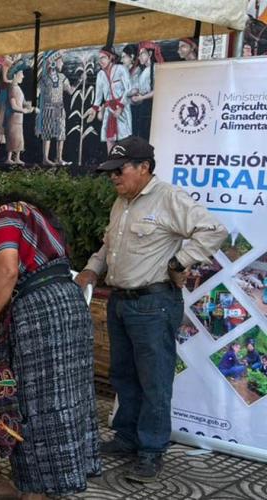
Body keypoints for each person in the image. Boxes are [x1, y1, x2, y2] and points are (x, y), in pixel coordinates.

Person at [75, 136, 227, 483]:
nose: (113, 177)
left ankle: (151, 451)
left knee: (154, 381)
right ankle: (127, 438)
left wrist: (180, 260)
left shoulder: (168, 198)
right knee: (123, 375)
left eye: (120, 170)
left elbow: (213, 230)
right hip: (120, 302)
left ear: (144, 167)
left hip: (154, 304)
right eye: (111, 171)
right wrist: (91, 269)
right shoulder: (122, 203)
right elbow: (109, 245)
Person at [0, 186, 100, 499]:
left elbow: (8, 272)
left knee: (33, 403)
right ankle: (36, 483)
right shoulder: (30, 215)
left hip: (40, 314)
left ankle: (36, 490)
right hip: (67, 306)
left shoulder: (2, 220)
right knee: (64, 398)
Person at [36, 51, 79, 166]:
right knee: (47, 134)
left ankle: (59, 158)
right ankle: (45, 159)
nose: (62, 64)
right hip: (48, 109)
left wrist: (79, 81)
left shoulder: (62, 77)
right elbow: (38, 93)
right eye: (61, 61)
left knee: (61, 134)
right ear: (54, 63)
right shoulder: (44, 79)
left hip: (59, 109)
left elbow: (70, 91)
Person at [88, 47, 132, 154]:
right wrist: (94, 110)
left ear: (111, 57)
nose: (100, 61)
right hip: (109, 110)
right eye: (99, 58)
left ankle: (124, 161)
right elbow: (98, 96)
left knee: (124, 138)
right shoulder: (100, 75)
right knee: (109, 139)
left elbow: (128, 89)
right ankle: (111, 161)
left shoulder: (121, 69)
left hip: (122, 108)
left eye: (103, 57)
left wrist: (120, 107)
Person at [128, 42, 164, 140]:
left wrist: (142, 97)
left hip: (153, 107)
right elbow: (139, 88)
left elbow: (159, 90)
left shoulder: (156, 68)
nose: (139, 57)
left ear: (150, 54)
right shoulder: (145, 70)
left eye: (142, 54)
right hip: (144, 107)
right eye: (138, 54)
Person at [5, 61, 36, 165]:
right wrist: (24, 111)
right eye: (21, 74)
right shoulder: (12, 89)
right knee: (13, 138)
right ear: (15, 75)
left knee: (19, 139)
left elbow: (23, 103)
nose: (22, 76)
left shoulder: (18, 88)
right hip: (13, 119)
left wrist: (31, 106)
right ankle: (9, 158)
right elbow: (14, 106)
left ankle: (17, 158)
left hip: (18, 119)